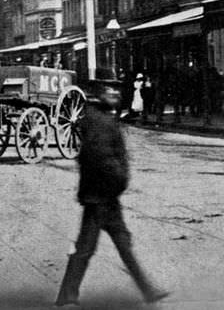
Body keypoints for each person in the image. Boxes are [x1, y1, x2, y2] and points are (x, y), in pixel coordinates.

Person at [55, 79, 169, 307]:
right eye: (110, 89)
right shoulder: (100, 121)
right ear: (99, 93)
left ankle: (147, 290)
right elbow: (99, 158)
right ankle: (67, 296)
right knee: (87, 248)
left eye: (117, 88)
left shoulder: (99, 118)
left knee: (118, 244)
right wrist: (119, 179)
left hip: (102, 196)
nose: (116, 93)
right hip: (101, 197)